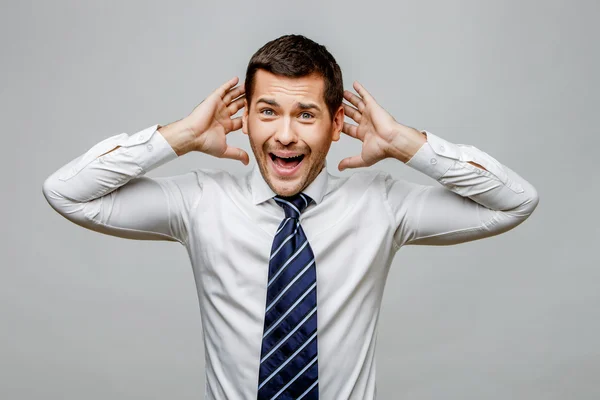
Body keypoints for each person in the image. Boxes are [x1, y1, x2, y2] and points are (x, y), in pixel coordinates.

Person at [42, 34, 539, 400]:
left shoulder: (381, 205)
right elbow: (68, 193)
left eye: (305, 114)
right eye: (267, 112)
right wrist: (180, 136)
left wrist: (406, 145)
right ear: (247, 119)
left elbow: (515, 200)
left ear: (335, 124)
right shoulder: (199, 203)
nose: (284, 135)